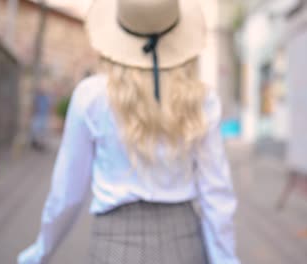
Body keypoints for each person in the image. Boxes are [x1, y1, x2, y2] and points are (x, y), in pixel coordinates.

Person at [18, 0, 239, 263]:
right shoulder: (202, 100)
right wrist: (226, 260)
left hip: (114, 246)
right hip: (184, 244)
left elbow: (67, 194)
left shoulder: (91, 97)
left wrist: (40, 251)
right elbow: (216, 194)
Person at [30, 85, 51, 151]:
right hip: (38, 115)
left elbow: (49, 106)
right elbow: (34, 106)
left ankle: (42, 145)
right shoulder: (37, 98)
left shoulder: (46, 98)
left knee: (43, 132)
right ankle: (37, 144)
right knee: (36, 130)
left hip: (44, 116)